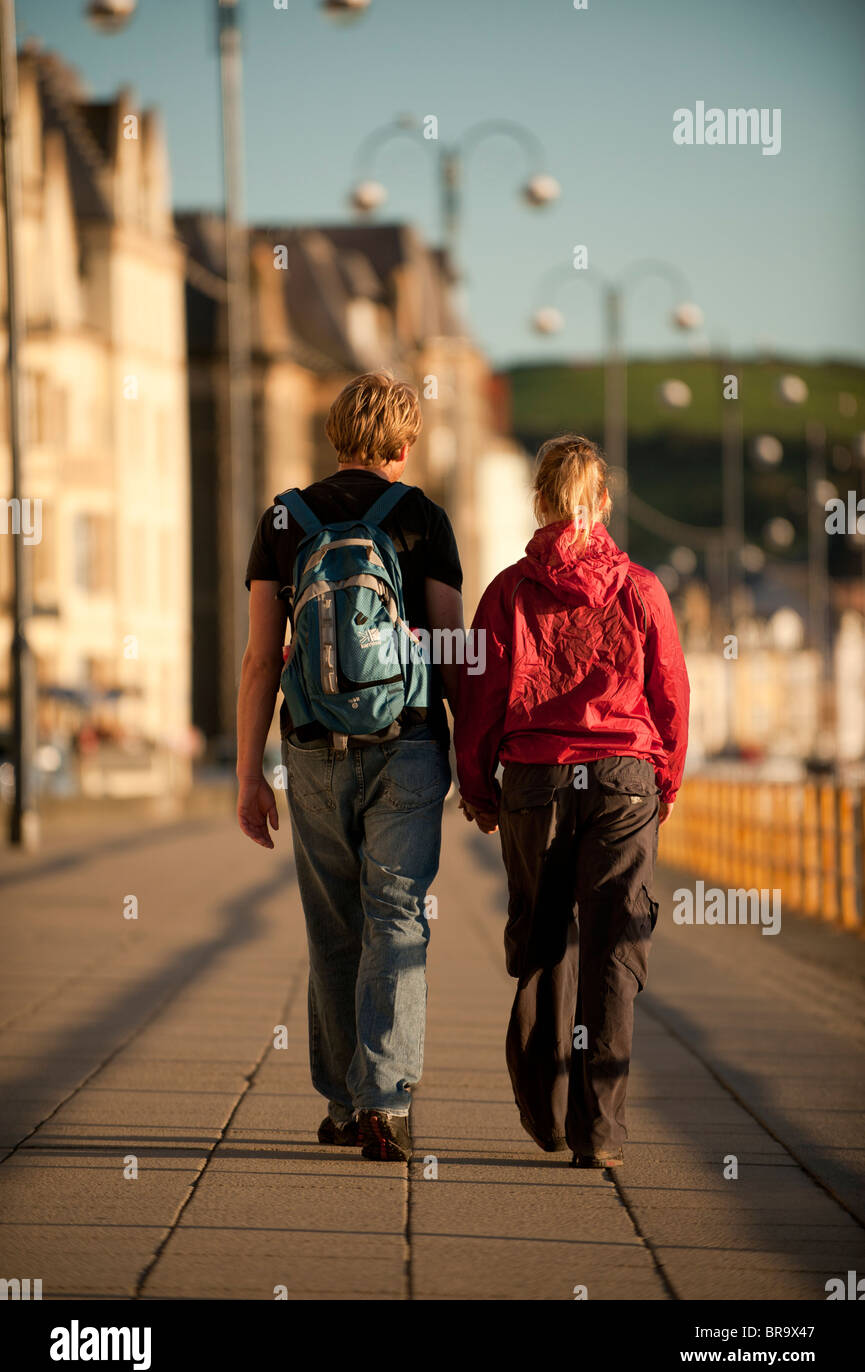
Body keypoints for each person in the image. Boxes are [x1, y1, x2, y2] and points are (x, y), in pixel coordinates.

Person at [236, 371, 463, 1162]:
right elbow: (447, 650)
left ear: (333, 436)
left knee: (333, 926)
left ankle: (340, 1103)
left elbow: (262, 659)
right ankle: (386, 1103)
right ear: (403, 446)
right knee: (396, 919)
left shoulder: (283, 516)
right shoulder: (422, 518)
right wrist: (472, 755)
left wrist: (246, 776)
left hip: (309, 748)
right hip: (407, 745)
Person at [454, 434, 689, 1168]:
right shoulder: (641, 588)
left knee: (541, 941)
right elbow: (671, 696)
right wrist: (665, 783)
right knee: (614, 950)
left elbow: (479, 696)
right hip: (622, 780)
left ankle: (545, 1112)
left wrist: (476, 786)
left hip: (534, 782)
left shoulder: (508, 592)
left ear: (540, 502)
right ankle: (601, 1132)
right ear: (605, 501)